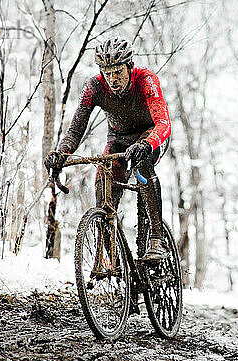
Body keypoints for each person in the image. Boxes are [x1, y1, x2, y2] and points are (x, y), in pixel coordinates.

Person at [44, 36, 171, 261]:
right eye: (106, 72)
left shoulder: (146, 80)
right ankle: (109, 255)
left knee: (142, 166)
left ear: (130, 67)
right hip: (119, 138)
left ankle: (156, 239)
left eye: (117, 72)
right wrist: (61, 154)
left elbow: (163, 123)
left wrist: (146, 144)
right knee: (104, 180)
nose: (112, 79)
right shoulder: (94, 87)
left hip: (149, 135)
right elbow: (75, 130)